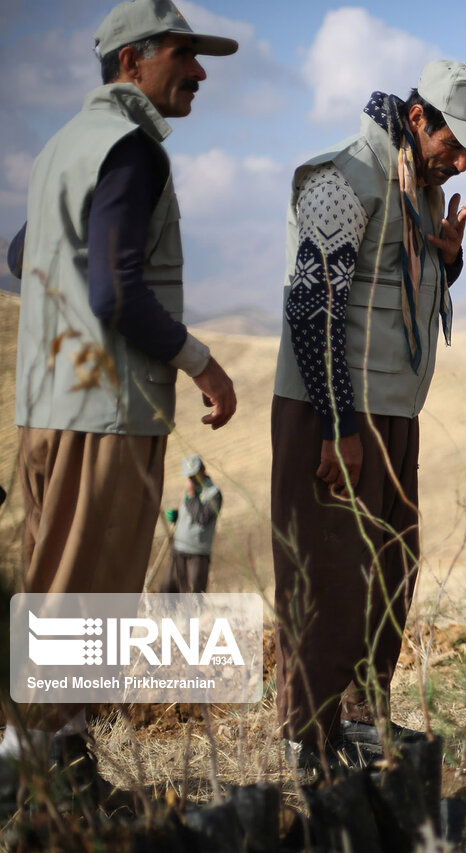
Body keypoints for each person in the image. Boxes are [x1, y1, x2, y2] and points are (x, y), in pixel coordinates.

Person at [2, 0, 238, 803]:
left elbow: (21, 250)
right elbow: (115, 291)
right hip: (103, 414)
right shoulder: (131, 150)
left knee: (51, 588)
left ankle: (51, 771)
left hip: (46, 408)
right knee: (84, 595)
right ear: (133, 61)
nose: (200, 72)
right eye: (184, 55)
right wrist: (202, 363)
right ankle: (39, 784)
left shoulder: (59, 149)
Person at [270, 59, 466, 770]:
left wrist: (449, 264)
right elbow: (313, 306)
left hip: (391, 409)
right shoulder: (343, 177)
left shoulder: (420, 188)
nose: (463, 162)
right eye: (454, 143)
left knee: (387, 573)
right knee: (332, 574)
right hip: (336, 412)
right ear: (417, 118)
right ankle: (304, 739)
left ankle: (354, 721)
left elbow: (388, 285)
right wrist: (338, 426)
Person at [158, 454, 222, 594]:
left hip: (197, 554)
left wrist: (192, 495)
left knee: (192, 596)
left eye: (194, 475)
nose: (191, 479)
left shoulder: (214, 494)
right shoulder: (190, 491)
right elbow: (190, 513)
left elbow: (202, 517)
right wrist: (177, 516)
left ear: (202, 470)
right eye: (189, 476)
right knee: (166, 590)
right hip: (178, 550)